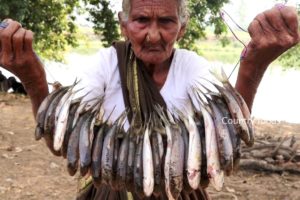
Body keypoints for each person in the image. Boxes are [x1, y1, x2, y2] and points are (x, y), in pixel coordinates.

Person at [0, 0, 299, 199]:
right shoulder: (105, 63)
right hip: (110, 192)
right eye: (142, 20)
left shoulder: (193, 67)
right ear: (123, 24)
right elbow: (62, 140)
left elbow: (228, 133)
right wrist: (32, 77)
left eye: (166, 21)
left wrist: (253, 67)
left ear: (181, 27)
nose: (154, 35)